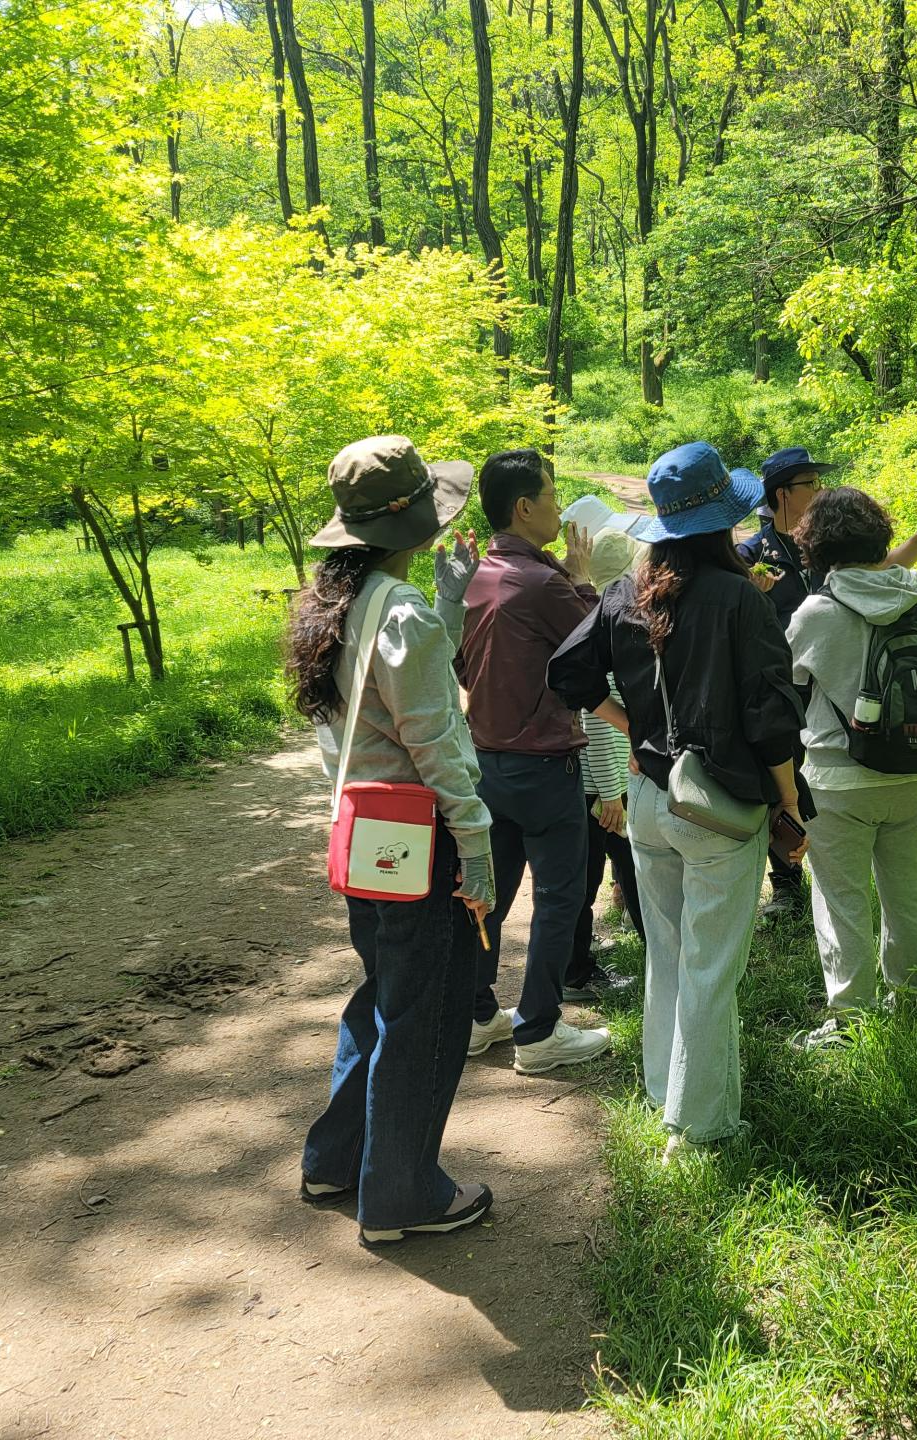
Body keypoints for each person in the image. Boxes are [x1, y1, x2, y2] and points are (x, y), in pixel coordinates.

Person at [549, 442, 805, 1159]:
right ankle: (698, 1127)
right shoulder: (737, 597)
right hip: (719, 804)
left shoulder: (626, 591)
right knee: (710, 967)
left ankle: (664, 1088)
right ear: (725, 518)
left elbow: (568, 676)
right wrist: (788, 801)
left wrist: (634, 729)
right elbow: (771, 715)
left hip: (650, 797)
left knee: (665, 951)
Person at [286, 434, 496, 1246]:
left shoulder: (338, 602)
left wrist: (449, 611)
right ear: (416, 522)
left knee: (384, 996)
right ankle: (402, 1196)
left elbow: (369, 717)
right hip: (422, 837)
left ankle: (335, 1159)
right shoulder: (397, 610)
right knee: (428, 1012)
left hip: (364, 834)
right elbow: (435, 739)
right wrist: (474, 844)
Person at [737, 445, 917, 919]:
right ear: (782, 493)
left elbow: (877, 574)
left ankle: (849, 995)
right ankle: (787, 888)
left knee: (842, 903)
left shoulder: (822, 584)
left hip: (834, 760)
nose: (817, 491)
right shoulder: (751, 555)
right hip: (889, 755)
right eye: (809, 484)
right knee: (907, 898)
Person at [783, 487, 917, 1049]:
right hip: (913, 776)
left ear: (816, 546)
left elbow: (784, 687)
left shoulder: (816, 612)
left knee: (842, 899)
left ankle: (850, 1021)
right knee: (908, 892)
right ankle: (911, 1001)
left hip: (837, 781)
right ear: (879, 536)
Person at [453, 448, 611, 1074]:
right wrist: (580, 578)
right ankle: (539, 1031)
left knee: (491, 891)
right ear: (524, 507)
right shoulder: (545, 583)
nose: (559, 506)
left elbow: (463, 666)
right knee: (560, 896)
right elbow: (598, 650)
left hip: (487, 764)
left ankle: (475, 1013)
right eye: (551, 494)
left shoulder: (477, 575)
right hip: (544, 768)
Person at [566, 525, 647, 997]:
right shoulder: (609, 624)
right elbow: (594, 720)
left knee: (610, 874)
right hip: (602, 789)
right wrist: (611, 791)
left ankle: (579, 967)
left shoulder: (592, 614)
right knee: (597, 877)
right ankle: (576, 972)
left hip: (601, 786)